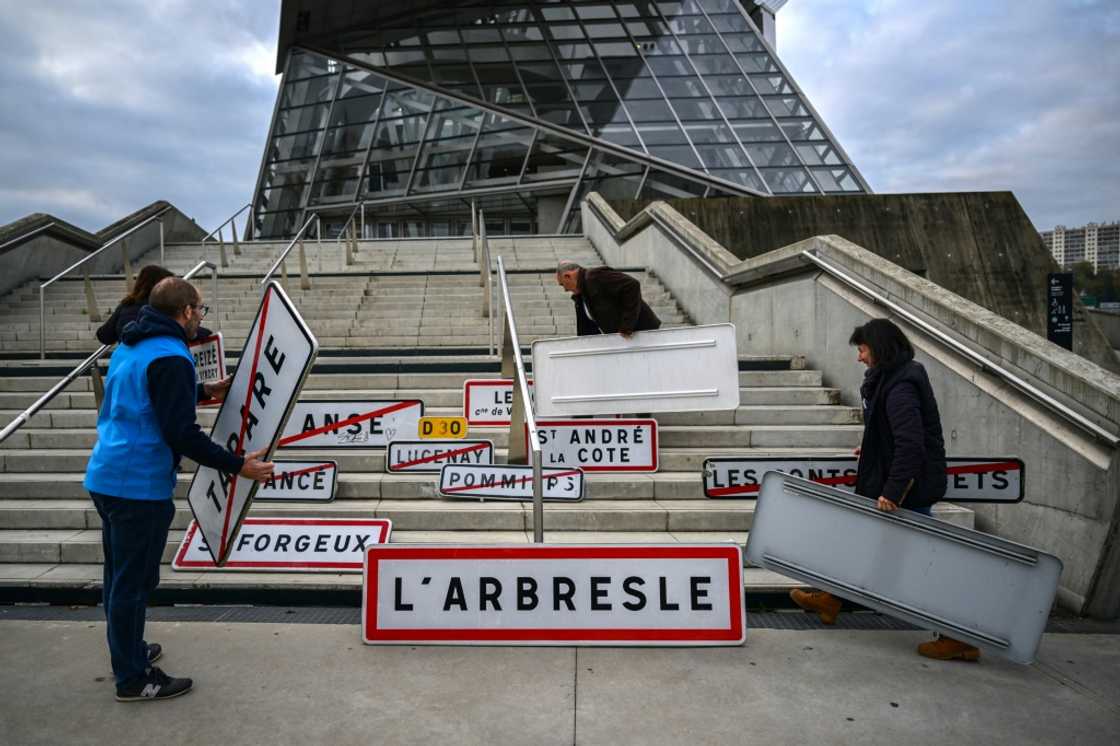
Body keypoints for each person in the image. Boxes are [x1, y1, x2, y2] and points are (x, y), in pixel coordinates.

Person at [84, 277, 275, 701]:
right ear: (186, 311)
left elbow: (145, 395)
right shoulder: (172, 356)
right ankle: (134, 679)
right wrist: (238, 465)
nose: (201, 318)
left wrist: (205, 390)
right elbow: (182, 434)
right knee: (134, 584)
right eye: (200, 310)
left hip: (107, 473)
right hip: (138, 484)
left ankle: (129, 651)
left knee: (119, 577)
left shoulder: (132, 341)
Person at [789, 318, 980, 662]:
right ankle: (832, 599)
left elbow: (910, 444)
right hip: (904, 484)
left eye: (862, 349)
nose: (859, 357)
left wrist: (892, 491)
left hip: (909, 491)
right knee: (862, 541)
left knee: (922, 562)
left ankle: (959, 636)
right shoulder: (893, 379)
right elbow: (895, 436)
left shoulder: (900, 385)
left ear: (879, 348)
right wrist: (874, 449)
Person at [96, 265, 213, 345]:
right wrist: (204, 333)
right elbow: (176, 328)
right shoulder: (160, 308)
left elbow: (104, 335)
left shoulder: (126, 305)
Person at [555, 260, 661, 338]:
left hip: (642, 333)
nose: (565, 289)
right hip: (626, 339)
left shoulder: (595, 276)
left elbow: (631, 285)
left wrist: (626, 326)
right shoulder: (582, 293)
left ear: (568, 276)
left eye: (562, 284)